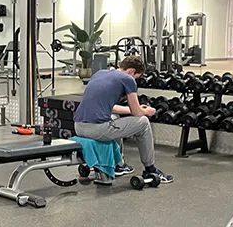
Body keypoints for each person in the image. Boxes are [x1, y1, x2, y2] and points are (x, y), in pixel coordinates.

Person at [72, 55, 173, 184]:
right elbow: (137, 113)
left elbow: (110, 108)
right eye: (136, 77)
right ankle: (150, 169)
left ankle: (118, 165)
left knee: (114, 118)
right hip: (96, 130)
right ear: (131, 71)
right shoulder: (127, 79)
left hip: (78, 127)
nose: (134, 80)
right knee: (143, 122)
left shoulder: (100, 73)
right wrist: (146, 111)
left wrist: (135, 109)